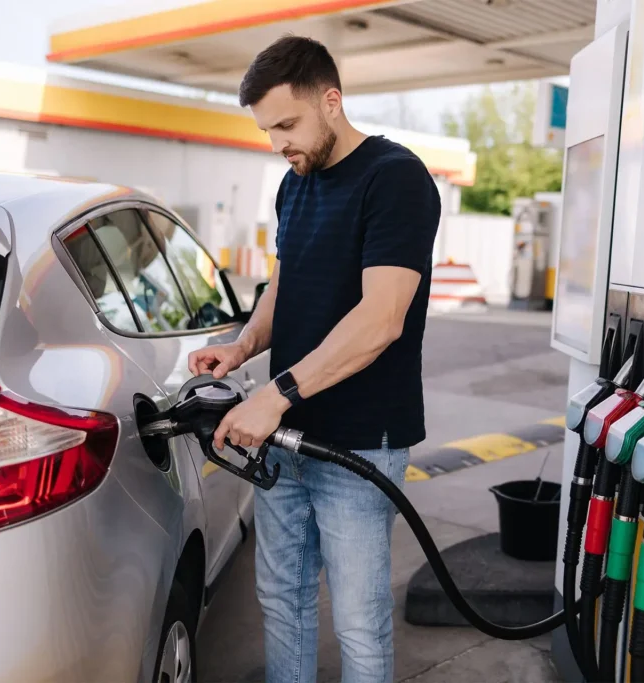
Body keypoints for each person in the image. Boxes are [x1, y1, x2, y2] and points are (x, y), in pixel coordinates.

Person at [187, 35, 441, 683]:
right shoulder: (293, 185)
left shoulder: (394, 178)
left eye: (287, 124)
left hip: (357, 446)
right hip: (286, 442)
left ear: (331, 101)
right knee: (282, 598)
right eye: (268, 129)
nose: (278, 143)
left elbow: (382, 318)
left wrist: (276, 394)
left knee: (358, 619)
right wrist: (243, 346)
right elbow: (286, 282)